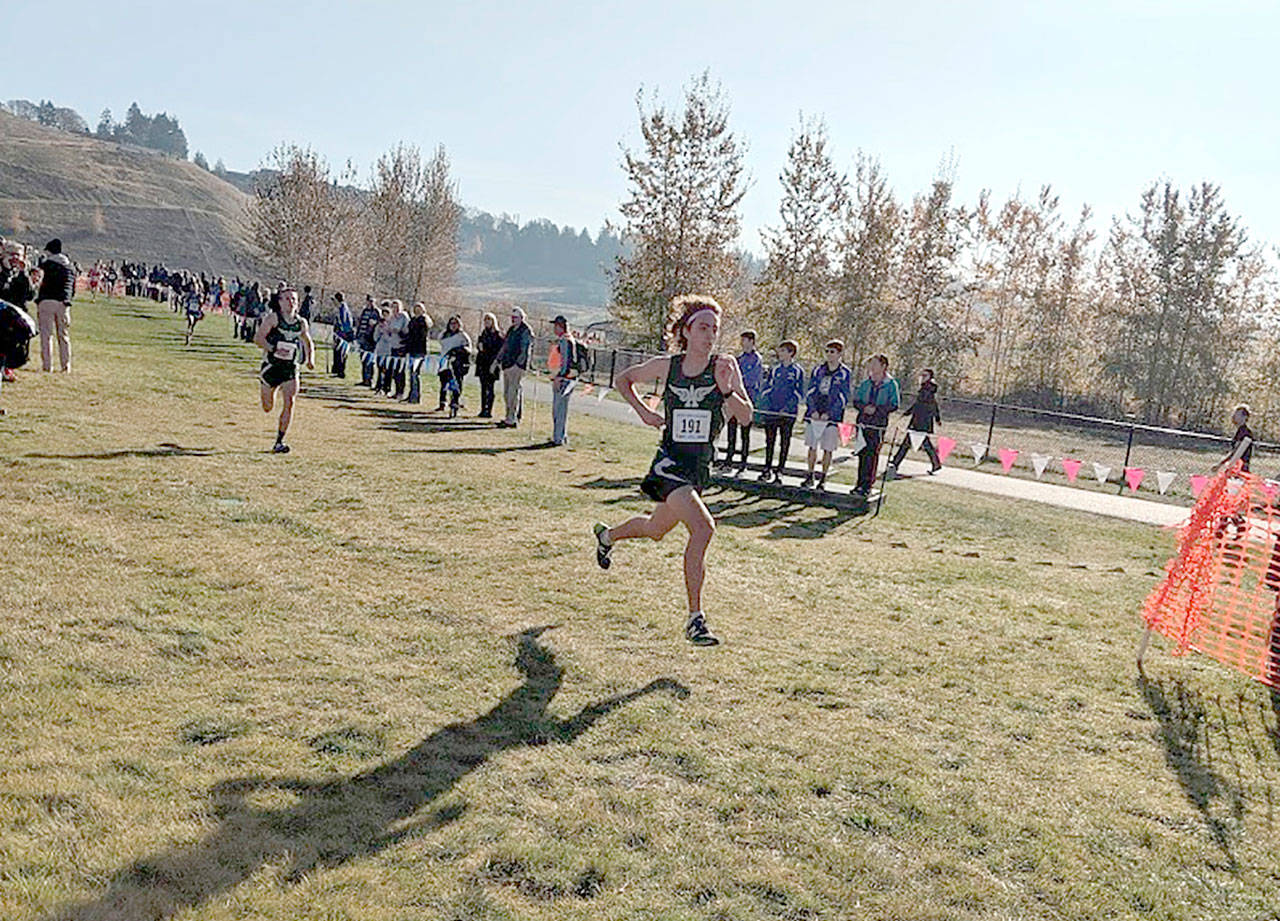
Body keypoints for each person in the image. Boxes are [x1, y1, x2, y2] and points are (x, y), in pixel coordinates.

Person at [591, 295, 753, 646]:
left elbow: (745, 416)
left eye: (715, 329)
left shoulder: (724, 366)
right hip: (668, 464)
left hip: (697, 467)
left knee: (654, 529)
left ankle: (606, 537)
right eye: (703, 327)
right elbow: (623, 379)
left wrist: (726, 391)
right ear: (686, 331)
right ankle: (695, 620)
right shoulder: (669, 366)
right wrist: (644, 413)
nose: (710, 335)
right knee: (703, 529)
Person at [252, 286, 315, 453]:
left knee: (290, 401)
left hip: (290, 368)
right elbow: (258, 338)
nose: (291, 302)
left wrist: (310, 359)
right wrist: (273, 349)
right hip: (272, 367)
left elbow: (308, 342)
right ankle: (267, 389)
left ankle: (279, 441)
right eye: (287, 299)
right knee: (267, 407)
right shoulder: (273, 319)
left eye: (294, 299)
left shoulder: (301, 323)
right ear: (280, 302)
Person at [802, 340, 852, 490]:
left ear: (840, 354)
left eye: (833, 352)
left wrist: (830, 414)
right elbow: (810, 392)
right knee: (812, 446)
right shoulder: (818, 370)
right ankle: (810, 474)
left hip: (832, 417)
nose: (829, 354)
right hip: (815, 414)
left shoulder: (845, 373)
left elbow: (843, 397)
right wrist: (813, 410)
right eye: (827, 351)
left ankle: (823, 478)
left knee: (828, 448)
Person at [851, 354, 900, 495]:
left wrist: (877, 410)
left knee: (872, 454)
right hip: (863, 422)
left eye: (875, 364)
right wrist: (863, 407)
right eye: (870, 364)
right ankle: (859, 484)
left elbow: (894, 404)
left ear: (883, 366)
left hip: (878, 423)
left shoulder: (891, 384)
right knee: (862, 452)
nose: (871, 367)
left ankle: (867, 486)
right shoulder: (866, 383)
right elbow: (856, 400)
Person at [758, 340, 804, 482]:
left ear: (791, 353)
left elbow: (799, 393)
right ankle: (767, 469)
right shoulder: (775, 369)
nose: (780, 353)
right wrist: (768, 406)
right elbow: (768, 389)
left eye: (783, 351)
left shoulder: (797, 371)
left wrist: (787, 408)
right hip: (773, 411)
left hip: (788, 414)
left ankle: (780, 470)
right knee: (769, 441)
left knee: (784, 442)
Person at [719, 329, 764, 474]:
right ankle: (728, 460)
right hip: (734, 399)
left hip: (746, 399)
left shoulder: (757, 359)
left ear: (751, 341)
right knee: (731, 430)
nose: (742, 343)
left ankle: (743, 463)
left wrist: (744, 395)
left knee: (745, 433)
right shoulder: (739, 359)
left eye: (744, 340)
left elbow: (752, 380)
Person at [886, 368, 943, 477]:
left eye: (925, 375)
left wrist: (937, 418)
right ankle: (896, 462)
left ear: (930, 377)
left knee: (916, 443)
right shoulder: (926, 389)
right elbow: (924, 405)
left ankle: (896, 462)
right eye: (922, 375)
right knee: (915, 443)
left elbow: (923, 406)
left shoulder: (927, 390)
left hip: (921, 422)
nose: (922, 377)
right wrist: (937, 418)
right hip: (919, 420)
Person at [35, 238, 75, 373]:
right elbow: (72, 289)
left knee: (46, 335)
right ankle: (66, 366)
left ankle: (47, 366)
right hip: (63, 303)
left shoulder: (46, 265)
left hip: (47, 301)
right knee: (63, 336)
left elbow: (38, 280)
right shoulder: (70, 268)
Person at [495, 305, 532, 428]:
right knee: (506, 393)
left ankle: (512, 418)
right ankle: (508, 416)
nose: (513, 319)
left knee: (513, 393)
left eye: (516, 317)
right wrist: (497, 360)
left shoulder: (525, 330)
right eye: (512, 317)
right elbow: (505, 346)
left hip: (517, 366)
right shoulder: (511, 330)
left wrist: (518, 364)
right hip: (507, 364)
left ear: (522, 318)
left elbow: (525, 349)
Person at [549, 314, 577, 446]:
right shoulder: (564, 340)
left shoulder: (565, 341)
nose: (554, 329)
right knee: (559, 409)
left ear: (560, 326)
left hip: (564, 379)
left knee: (559, 409)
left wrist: (560, 377)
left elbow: (565, 362)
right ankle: (561, 436)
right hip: (563, 377)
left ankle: (558, 438)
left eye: (555, 326)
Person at [437, 314, 472, 416]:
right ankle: (442, 402)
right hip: (445, 361)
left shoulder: (463, 336)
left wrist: (459, 351)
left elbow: (469, 349)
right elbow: (440, 342)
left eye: (456, 323)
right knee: (444, 382)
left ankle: (455, 403)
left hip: (457, 363)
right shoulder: (444, 334)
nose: (453, 325)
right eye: (451, 323)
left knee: (456, 383)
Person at [475, 312, 503, 418]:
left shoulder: (497, 334)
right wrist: (479, 346)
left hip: (492, 363)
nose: (487, 322)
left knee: (490, 387)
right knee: (483, 387)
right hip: (482, 363)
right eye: (485, 320)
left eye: (489, 320)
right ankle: (483, 409)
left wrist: (495, 363)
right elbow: (480, 345)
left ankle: (489, 410)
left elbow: (498, 350)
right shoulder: (483, 333)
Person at [403, 303, 432, 403]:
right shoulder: (412, 320)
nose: (417, 311)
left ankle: (416, 396)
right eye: (416, 309)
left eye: (419, 309)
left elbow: (421, 336)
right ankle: (411, 394)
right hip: (412, 350)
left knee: (415, 374)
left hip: (419, 351)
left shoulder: (424, 321)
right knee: (411, 374)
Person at [1214, 404, 1254, 474]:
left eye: (1237, 414)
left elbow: (1236, 452)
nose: (1234, 416)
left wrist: (1220, 464)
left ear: (1245, 417)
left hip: (1240, 469)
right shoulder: (1240, 431)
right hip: (1235, 468)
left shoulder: (1245, 432)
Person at [355, 294, 381, 386]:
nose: (370, 303)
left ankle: (369, 380)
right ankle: (364, 379)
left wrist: (374, 324)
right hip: (362, 338)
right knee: (363, 359)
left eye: (372, 301)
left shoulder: (377, 312)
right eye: (369, 301)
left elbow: (380, 323)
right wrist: (357, 335)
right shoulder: (364, 311)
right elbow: (360, 323)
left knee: (369, 360)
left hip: (370, 339)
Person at [331, 292, 354, 378]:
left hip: (343, 335)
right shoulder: (340, 308)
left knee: (341, 353)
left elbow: (344, 323)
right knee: (337, 352)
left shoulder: (343, 309)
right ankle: (336, 369)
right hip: (338, 334)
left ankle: (341, 371)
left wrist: (342, 333)